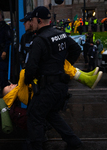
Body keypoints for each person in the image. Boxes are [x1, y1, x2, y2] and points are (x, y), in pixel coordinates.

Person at [24, 6, 83, 150]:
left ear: (39, 20)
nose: (31, 23)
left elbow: (31, 67)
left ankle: (36, 146)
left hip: (48, 87)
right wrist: (63, 64)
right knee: (51, 114)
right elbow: (76, 49)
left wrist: (26, 81)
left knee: (34, 115)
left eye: (32, 20)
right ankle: (73, 141)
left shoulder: (39, 40)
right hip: (61, 86)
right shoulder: (61, 34)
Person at [0, 9, 12, 97]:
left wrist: (5, 51)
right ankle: (2, 90)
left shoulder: (5, 27)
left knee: (3, 73)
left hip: (2, 52)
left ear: (2, 17)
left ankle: (5, 92)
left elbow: (8, 41)